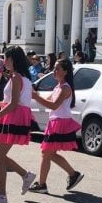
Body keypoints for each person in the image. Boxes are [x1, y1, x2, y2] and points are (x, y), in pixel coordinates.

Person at [0, 46, 37, 203]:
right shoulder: (22, 78)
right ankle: (24, 176)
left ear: (14, 60)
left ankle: (2, 194)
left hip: (13, 117)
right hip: (16, 116)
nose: (4, 61)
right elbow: (14, 102)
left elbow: (13, 105)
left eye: (7, 58)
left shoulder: (16, 78)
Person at [28, 59, 84, 194]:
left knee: (46, 153)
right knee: (49, 154)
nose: (54, 71)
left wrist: (35, 96)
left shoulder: (65, 88)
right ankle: (72, 174)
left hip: (60, 122)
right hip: (55, 121)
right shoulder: (59, 86)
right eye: (54, 68)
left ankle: (42, 184)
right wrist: (36, 95)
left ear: (65, 71)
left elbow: (53, 105)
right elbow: (49, 101)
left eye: (57, 69)